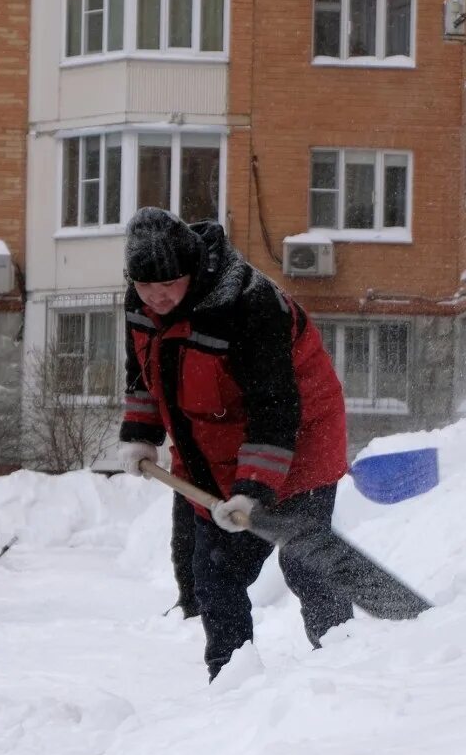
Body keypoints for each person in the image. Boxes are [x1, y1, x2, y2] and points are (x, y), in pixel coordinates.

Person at [114, 207, 354, 680]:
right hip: (211, 449)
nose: (156, 297)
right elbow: (144, 375)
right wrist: (141, 435)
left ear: (191, 269)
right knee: (215, 575)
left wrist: (254, 489)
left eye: (167, 284)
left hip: (299, 442)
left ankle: (342, 670)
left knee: (305, 563)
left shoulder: (248, 303)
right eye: (144, 286)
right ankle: (230, 685)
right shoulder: (142, 304)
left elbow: (275, 406)